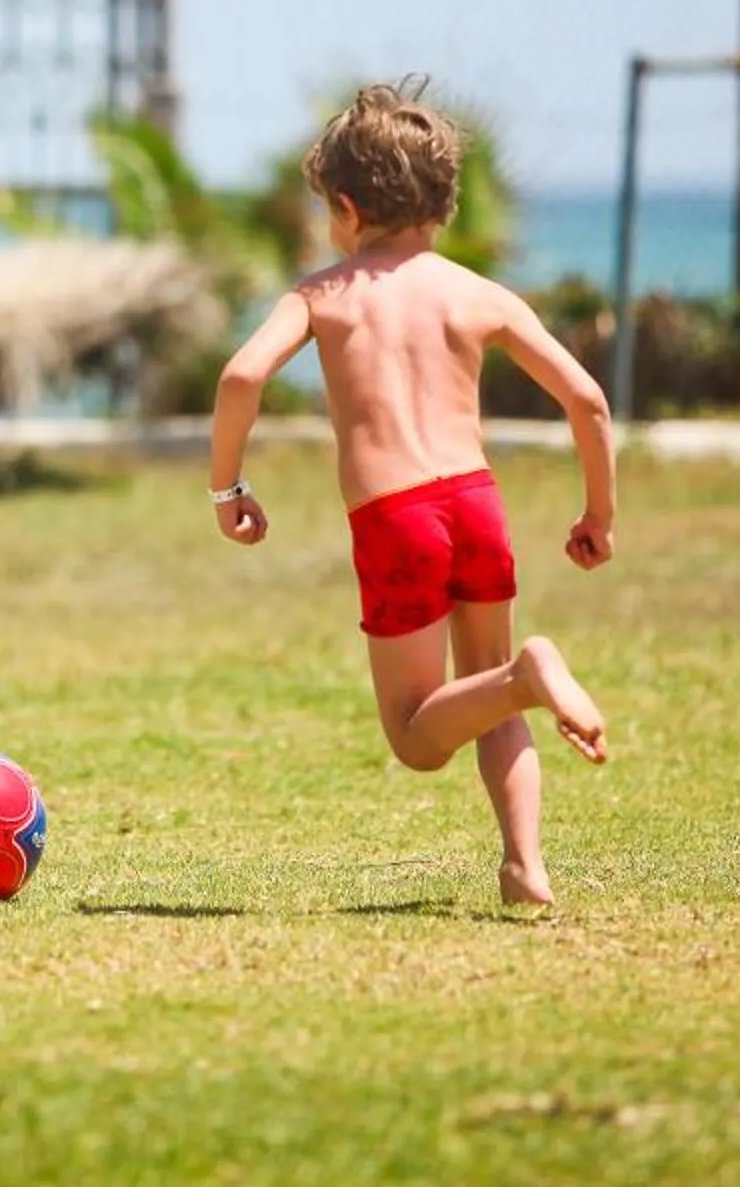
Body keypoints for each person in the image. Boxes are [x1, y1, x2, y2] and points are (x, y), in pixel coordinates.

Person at [207, 80, 616, 907]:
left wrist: (228, 489)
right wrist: (598, 513)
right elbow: (588, 401)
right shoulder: (479, 294)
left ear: (347, 208)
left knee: (416, 735)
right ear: (444, 204)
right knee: (488, 692)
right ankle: (525, 865)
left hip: (396, 519)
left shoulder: (322, 296)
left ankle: (530, 673)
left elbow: (242, 373)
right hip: (476, 501)